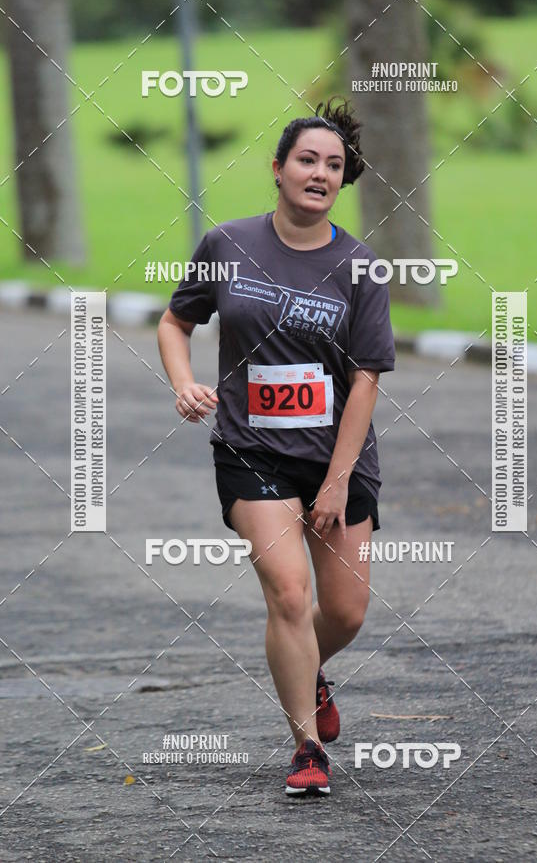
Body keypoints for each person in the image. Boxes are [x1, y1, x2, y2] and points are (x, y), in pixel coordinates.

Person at [157, 97, 395, 797]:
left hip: (336, 455)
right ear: (279, 170)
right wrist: (183, 384)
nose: (319, 172)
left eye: (333, 164)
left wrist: (335, 481)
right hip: (249, 448)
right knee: (289, 594)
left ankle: (310, 669)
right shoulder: (227, 246)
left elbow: (366, 383)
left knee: (345, 610)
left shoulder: (362, 267)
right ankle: (307, 748)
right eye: (306, 160)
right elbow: (175, 322)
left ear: (343, 180)